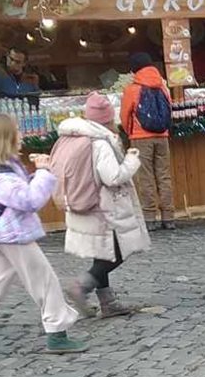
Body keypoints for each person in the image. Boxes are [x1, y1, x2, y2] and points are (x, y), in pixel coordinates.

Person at [0, 113, 84, 352]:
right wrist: (44, 172)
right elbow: (28, 200)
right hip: (13, 235)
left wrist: (36, 175)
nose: (21, 136)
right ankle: (57, 334)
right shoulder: (1, 173)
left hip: (4, 235)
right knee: (45, 282)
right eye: (17, 131)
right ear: (6, 137)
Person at [50, 91, 150, 319]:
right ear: (107, 119)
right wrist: (131, 160)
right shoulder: (100, 143)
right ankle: (81, 286)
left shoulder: (72, 137)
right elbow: (112, 177)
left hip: (82, 205)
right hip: (104, 208)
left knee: (103, 252)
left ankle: (108, 302)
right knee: (118, 252)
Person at [120, 53, 176, 229]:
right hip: (162, 136)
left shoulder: (132, 89)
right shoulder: (162, 86)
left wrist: (130, 132)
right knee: (164, 176)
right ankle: (169, 217)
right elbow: (169, 109)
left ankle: (149, 217)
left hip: (140, 137)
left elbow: (124, 116)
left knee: (145, 177)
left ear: (134, 69)